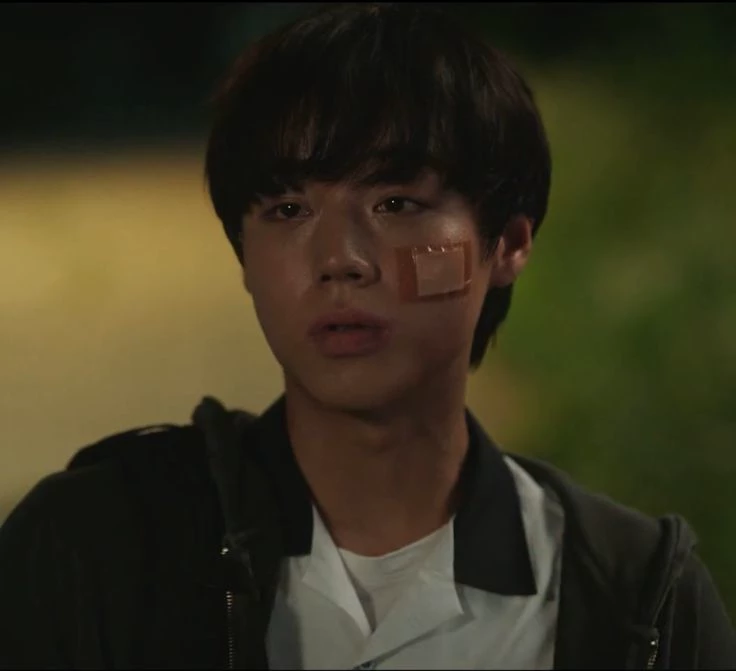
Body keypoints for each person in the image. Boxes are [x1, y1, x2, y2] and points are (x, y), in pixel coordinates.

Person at [1, 3, 735, 669]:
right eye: (288, 210)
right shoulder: (95, 551)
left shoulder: (635, 602)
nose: (339, 260)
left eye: (396, 202)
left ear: (509, 244)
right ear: (244, 257)